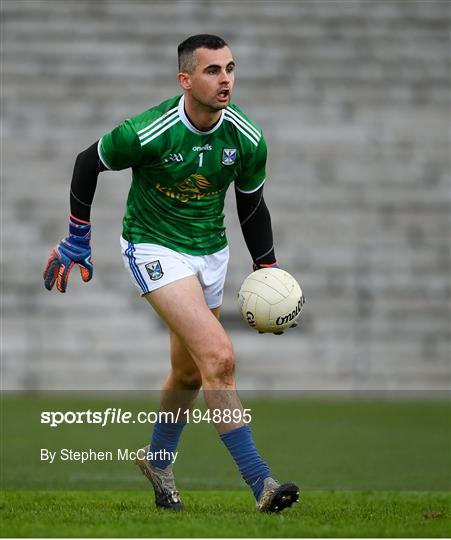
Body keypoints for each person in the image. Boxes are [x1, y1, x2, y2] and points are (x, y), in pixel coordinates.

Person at [43, 34, 299, 513]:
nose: (225, 79)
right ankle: (263, 484)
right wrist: (77, 235)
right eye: (212, 71)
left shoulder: (247, 138)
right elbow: (87, 162)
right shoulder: (150, 131)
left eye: (230, 69)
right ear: (185, 79)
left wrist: (267, 267)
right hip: (153, 245)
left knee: (187, 373)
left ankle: (158, 460)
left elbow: (251, 205)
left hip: (211, 252)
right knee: (219, 357)